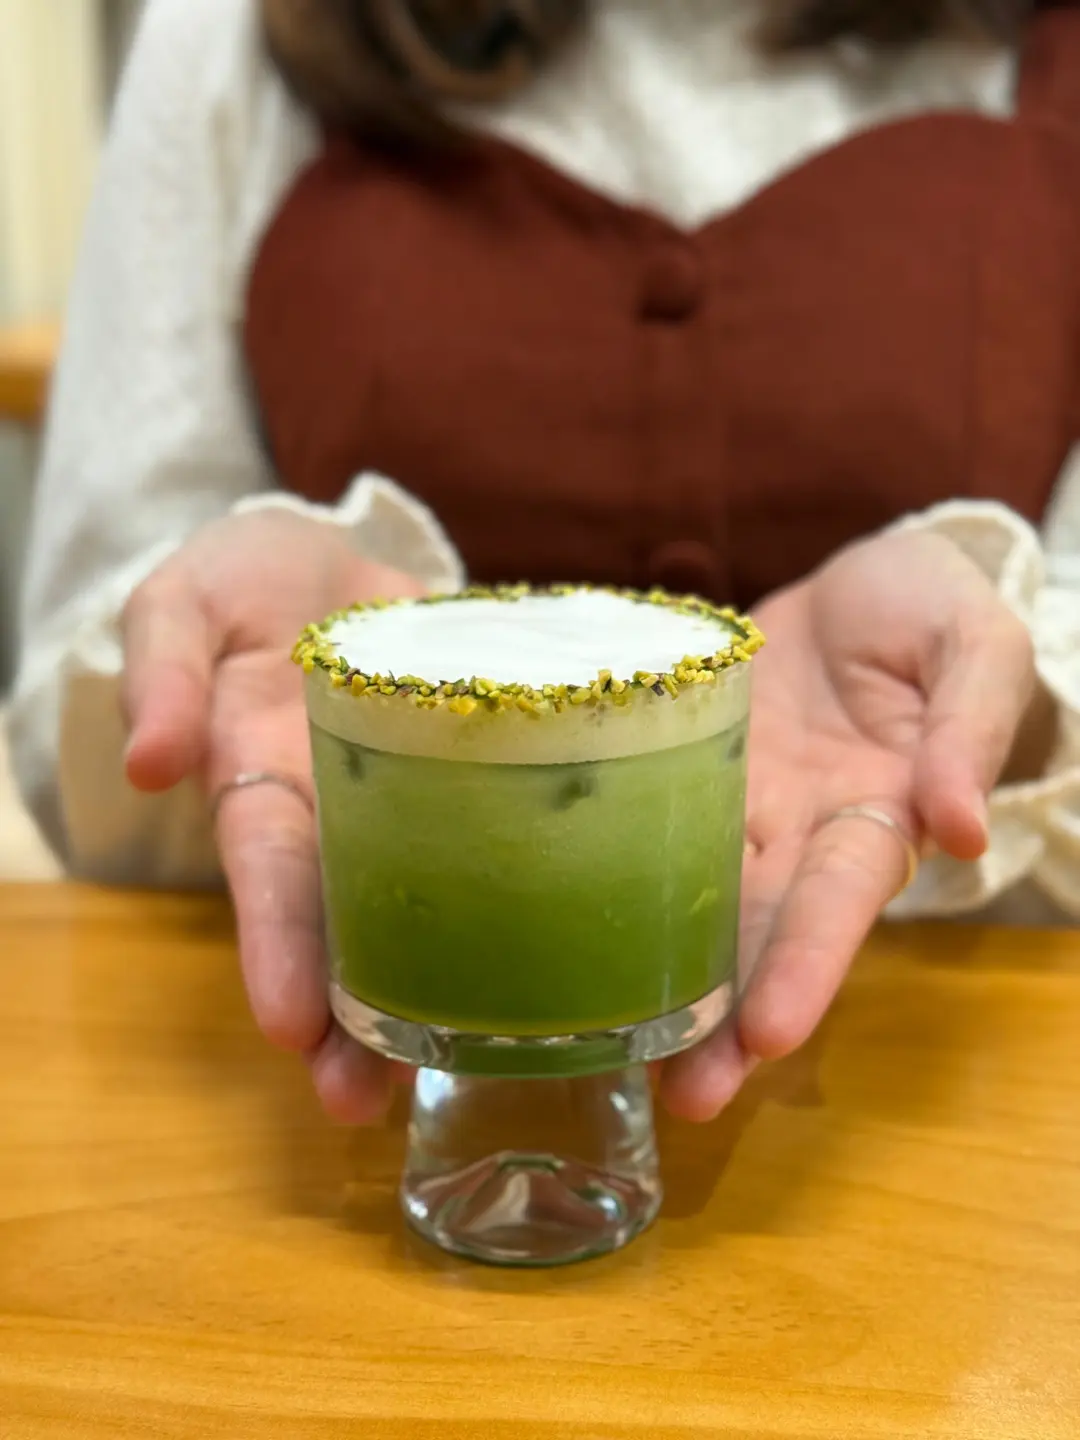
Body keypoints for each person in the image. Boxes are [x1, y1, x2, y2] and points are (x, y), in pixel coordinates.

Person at [8, 0, 1080, 1126]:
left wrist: (1012, 711)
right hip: (309, 1108)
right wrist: (215, 649)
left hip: (950, 1092)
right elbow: (83, 658)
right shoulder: (229, 35)